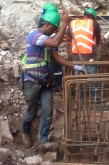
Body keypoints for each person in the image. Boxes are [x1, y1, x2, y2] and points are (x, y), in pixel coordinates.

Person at [21, 11, 84, 148]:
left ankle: (43, 140)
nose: (55, 32)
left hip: (45, 81)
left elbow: (57, 57)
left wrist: (75, 66)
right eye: (54, 29)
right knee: (31, 112)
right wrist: (65, 23)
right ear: (48, 26)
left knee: (48, 112)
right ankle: (25, 131)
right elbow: (56, 41)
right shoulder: (35, 36)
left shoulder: (47, 41)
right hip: (31, 82)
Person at [66, 8, 102, 101]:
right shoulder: (94, 23)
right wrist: (95, 42)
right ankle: (96, 98)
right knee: (93, 77)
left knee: (80, 78)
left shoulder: (72, 23)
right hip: (89, 54)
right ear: (93, 17)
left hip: (76, 54)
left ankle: (81, 99)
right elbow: (98, 39)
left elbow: (69, 38)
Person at [38, 3, 63, 92]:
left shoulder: (43, 18)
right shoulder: (50, 20)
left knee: (54, 66)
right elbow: (55, 41)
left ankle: (55, 84)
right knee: (54, 66)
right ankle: (56, 84)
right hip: (50, 42)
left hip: (48, 43)